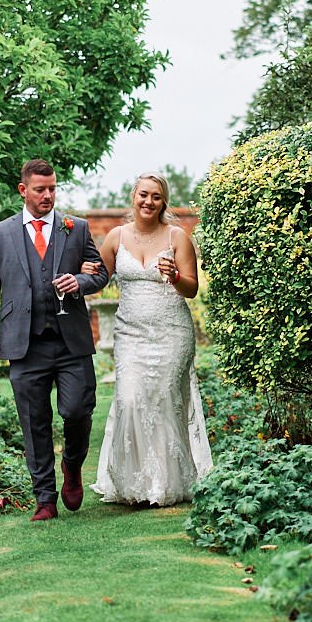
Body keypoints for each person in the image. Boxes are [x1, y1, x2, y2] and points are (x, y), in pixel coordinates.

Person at [0, 159, 109, 522]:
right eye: (40, 190)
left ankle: (73, 465)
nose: (48, 195)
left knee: (78, 409)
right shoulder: (0, 234)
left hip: (70, 342)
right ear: (23, 190)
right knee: (34, 422)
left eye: (52, 189)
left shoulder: (75, 228)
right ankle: (45, 500)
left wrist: (80, 282)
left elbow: (100, 273)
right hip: (24, 342)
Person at [87, 172, 211, 506]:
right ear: (133, 196)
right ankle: (134, 484)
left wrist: (174, 277)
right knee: (129, 400)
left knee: (165, 400)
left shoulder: (177, 237)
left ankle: (164, 485)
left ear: (163, 201)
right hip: (130, 334)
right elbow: (99, 279)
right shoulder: (115, 236)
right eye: (144, 194)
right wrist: (84, 273)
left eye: (156, 196)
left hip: (172, 333)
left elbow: (192, 288)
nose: (148, 201)